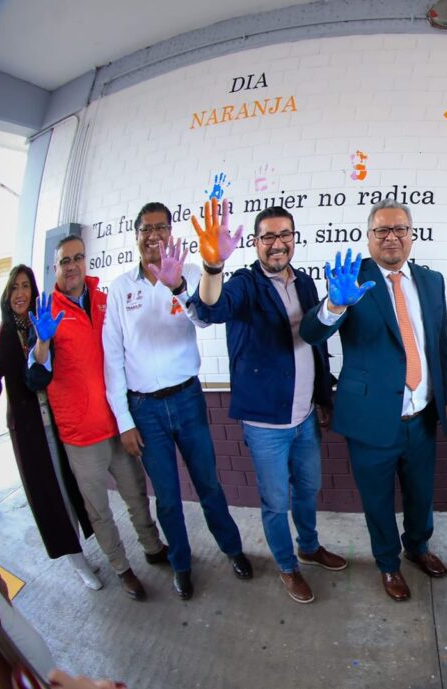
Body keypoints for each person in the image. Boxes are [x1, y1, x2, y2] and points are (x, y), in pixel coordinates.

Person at [189, 201, 346, 604]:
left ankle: (308, 547)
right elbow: (212, 307)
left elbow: (316, 343)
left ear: (294, 238)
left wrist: (323, 397)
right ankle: (287, 566)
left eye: (285, 235)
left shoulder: (305, 283)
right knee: (276, 503)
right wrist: (212, 267)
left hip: (305, 415)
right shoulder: (245, 283)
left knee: (308, 489)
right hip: (265, 425)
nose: (278, 244)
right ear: (256, 243)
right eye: (269, 237)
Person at [300, 199, 447, 602]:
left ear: (412, 235)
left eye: (400, 229)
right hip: (370, 420)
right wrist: (335, 304)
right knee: (378, 501)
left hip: (421, 417)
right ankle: (388, 563)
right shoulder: (352, 279)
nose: (391, 237)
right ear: (368, 237)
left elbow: (438, 343)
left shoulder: (431, 281)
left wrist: (443, 400)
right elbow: (312, 333)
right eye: (382, 230)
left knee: (421, 495)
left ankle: (417, 547)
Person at [102, 202, 252, 601]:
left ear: (171, 233)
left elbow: (203, 319)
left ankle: (232, 549)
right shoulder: (120, 288)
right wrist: (124, 421)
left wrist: (179, 288)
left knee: (208, 485)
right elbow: (112, 357)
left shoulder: (189, 273)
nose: (154, 235)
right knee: (167, 498)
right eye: (146, 228)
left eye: (161, 227)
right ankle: (181, 564)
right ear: (136, 235)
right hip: (145, 410)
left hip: (187, 398)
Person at [27, 235, 166, 601]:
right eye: (64, 261)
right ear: (55, 267)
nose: (72, 265)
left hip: (117, 425)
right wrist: (42, 342)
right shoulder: (48, 313)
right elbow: (35, 376)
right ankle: (121, 567)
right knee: (99, 511)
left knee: (137, 495)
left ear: (85, 261)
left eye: (78, 258)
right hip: (81, 436)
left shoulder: (104, 301)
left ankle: (153, 547)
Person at [0, 265, 98, 590]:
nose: (20, 293)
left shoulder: (44, 323)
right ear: (7, 295)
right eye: (14, 287)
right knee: (51, 497)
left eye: (25, 286)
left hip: (60, 418)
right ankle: (77, 562)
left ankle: (83, 547)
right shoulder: (0, 336)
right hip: (29, 431)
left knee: (73, 487)